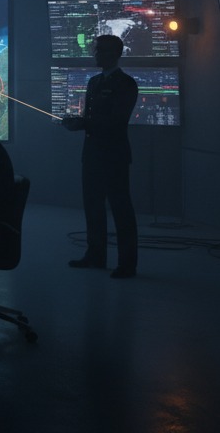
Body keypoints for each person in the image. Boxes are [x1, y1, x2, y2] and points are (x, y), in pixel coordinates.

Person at [63, 34, 139, 279]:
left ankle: (127, 263)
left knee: (120, 209)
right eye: (96, 50)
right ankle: (96, 254)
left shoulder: (126, 84)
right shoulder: (94, 82)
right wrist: (80, 123)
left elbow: (117, 121)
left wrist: (83, 124)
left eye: (101, 51)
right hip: (93, 154)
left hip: (114, 155)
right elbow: (94, 118)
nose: (96, 54)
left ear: (115, 54)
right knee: (93, 207)